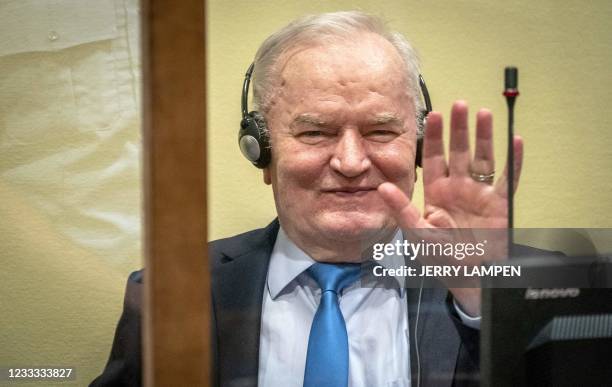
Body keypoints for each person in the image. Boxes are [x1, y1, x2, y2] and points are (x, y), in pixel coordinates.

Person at [92, 11, 524, 387]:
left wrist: (480, 298)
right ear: (260, 149)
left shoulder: (513, 284)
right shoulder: (168, 294)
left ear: (416, 147)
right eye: (315, 132)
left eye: (380, 131)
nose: (352, 162)